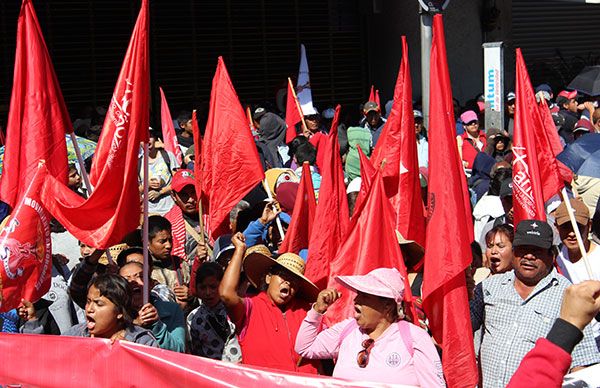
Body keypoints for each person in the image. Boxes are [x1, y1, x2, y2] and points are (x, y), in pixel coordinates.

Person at [470, 220, 600, 387]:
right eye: (523, 250)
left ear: (551, 255)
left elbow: (582, 364)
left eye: (537, 251)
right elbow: (460, 332)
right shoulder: (488, 288)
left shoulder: (568, 295)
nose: (529, 256)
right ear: (514, 252)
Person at [295, 268, 445, 386]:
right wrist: (317, 311)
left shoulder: (415, 338)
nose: (356, 300)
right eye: (358, 294)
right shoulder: (347, 329)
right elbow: (305, 347)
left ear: (387, 306)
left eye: (365, 296)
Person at [219, 232, 320, 373]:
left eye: (294, 281)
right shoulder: (251, 308)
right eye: (283, 276)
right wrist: (239, 250)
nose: (288, 283)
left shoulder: (308, 314)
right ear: (268, 278)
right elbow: (226, 294)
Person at [20, 274, 158, 347]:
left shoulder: (141, 342)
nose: (90, 309)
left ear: (120, 311)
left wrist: (127, 356)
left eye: (99, 304)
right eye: (88, 301)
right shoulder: (75, 335)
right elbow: (43, 359)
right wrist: (32, 321)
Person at [507, 280, 600, 387]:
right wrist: (569, 325)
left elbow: (583, 363)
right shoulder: (488, 286)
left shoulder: (566, 287)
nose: (531, 261)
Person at [119, 261, 186, 352]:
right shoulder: (115, 315)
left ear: (151, 284)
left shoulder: (172, 310)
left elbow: (178, 350)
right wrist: (134, 326)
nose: (133, 281)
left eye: (140, 276)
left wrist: (156, 325)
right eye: (126, 279)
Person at [187, 262, 241, 362]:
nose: (208, 293)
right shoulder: (193, 318)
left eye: (213, 287)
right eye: (203, 287)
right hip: (212, 372)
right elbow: (196, 352)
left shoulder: (235, 310)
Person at [147, 215, 191, 311]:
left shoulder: (180, 264)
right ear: (147, 242)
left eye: (170, 240)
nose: (168, 245)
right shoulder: (141, 268)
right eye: (162, 241)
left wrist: (190, 295)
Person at [139, 129, 179, 215]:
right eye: (142, 138)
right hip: (148, 212)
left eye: (150, 137)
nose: (147, 140)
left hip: (170, 208)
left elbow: (178, 181)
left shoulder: (168, 156)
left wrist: (160, 192)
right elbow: (135, 191)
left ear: (155, 139)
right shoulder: (137, 163)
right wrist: (147, 185)